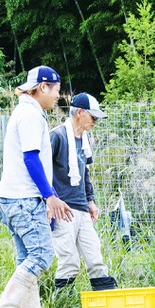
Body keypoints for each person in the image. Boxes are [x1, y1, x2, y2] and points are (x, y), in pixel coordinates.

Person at [0, 65, 73, 308]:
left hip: (14, 198)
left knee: (27, 258)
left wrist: (50, 196)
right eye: (57, 91)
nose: (58, 97)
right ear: (42, 87)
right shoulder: (30, 115)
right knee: (41, 256)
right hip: (24, 199)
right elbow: (30, 158)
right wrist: (49, 196)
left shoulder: (25, 112)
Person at [50, 92, 118, 295]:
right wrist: (49, 202)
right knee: (69, 262)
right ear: (79, 112)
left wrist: (91, 201)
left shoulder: (84, 140)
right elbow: (43, 171)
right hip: (62, 209)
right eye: (93, 116)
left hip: (81, 208)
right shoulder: (57, 136)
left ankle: (106, 303)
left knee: (95, 259)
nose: (96, 121)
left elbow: (84, 173)